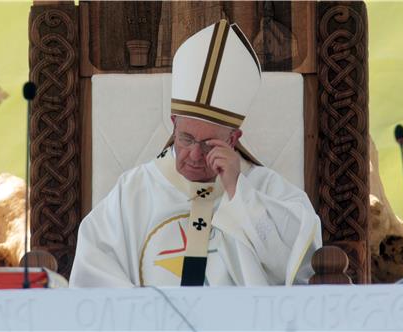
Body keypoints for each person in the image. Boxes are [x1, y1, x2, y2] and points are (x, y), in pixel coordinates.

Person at [69, 19, 322, 287]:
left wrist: (240, 193)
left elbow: (301, 266)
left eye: (209, 144)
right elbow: (94, 270)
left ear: (233, 139)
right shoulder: (132, 192)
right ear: (173, 123)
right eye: (186, 139)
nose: (194, 155)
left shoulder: (266, 189)